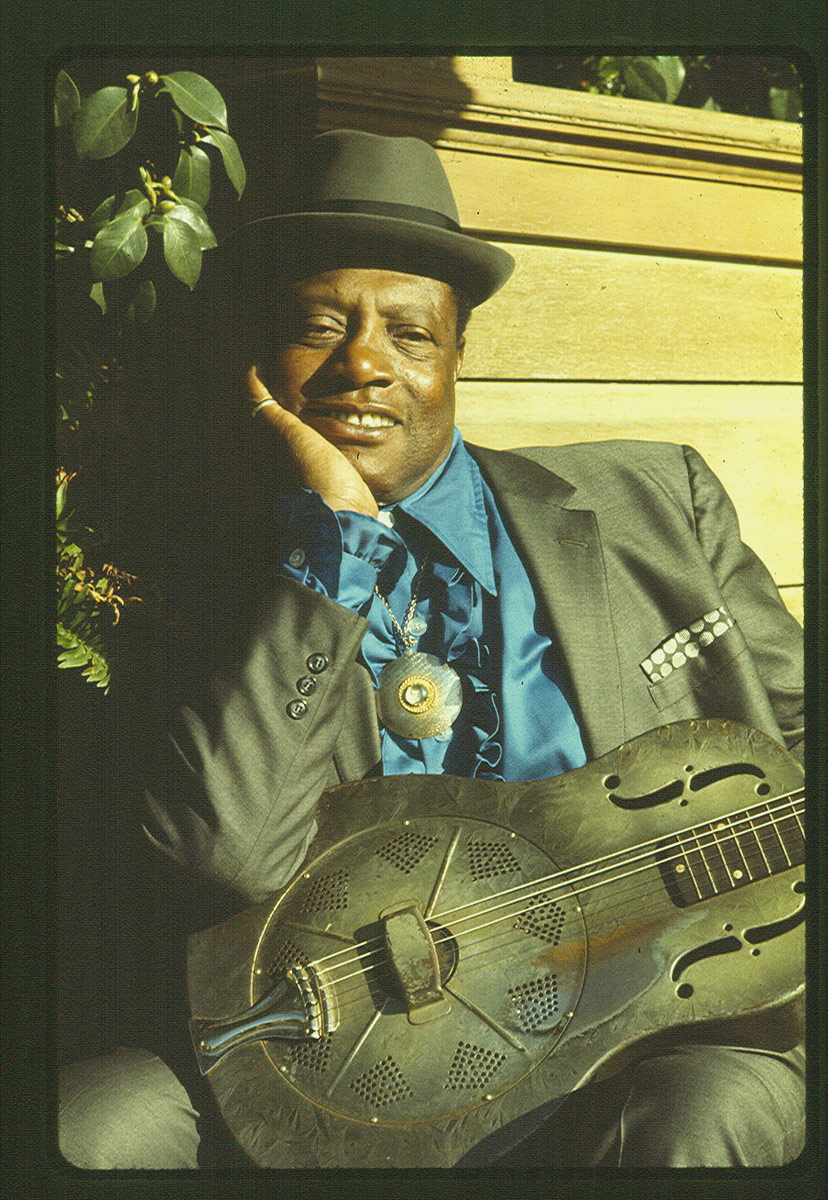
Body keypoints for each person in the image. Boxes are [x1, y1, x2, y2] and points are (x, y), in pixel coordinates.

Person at [58, 129, 805, 1170]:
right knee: (82, 1132)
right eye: (319, 327)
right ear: (256, 364)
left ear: (459, 356)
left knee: (699, 1125)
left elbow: (797, 733)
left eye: (409, 333)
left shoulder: (654, 502)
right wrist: (333, 543)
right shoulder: (197, 567)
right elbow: (223, 855)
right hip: (310, 1044)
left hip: (640, 1030)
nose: (365, 363)